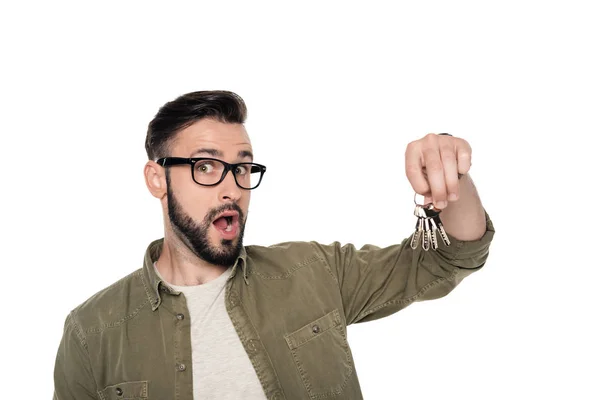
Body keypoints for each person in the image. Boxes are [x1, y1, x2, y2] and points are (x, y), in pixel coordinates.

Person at [53, 90, 495, 400]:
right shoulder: (92, 333)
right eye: (207, 166)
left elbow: (448, 257)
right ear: (157, 179)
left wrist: (449, 173)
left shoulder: (313, 270)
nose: (232, 189)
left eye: (242, 168)